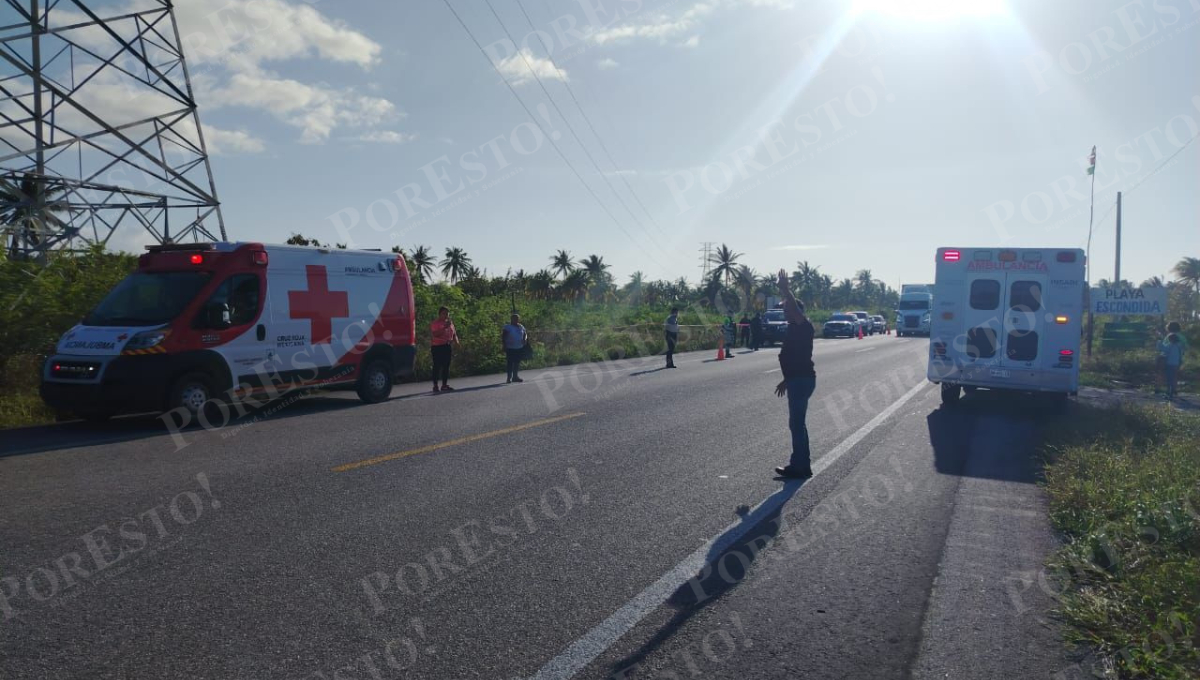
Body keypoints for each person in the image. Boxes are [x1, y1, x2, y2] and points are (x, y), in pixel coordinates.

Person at [772, 269, 816, 479]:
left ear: (796, 310)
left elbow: (797, 360)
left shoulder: (803, 326)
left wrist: (785, 289)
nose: (784, 311)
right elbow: (794, 358)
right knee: (797, 424)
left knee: (797, 424)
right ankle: (801, 464)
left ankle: (800, 466)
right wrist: (786, 380)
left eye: (787, 308)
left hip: (801, 381)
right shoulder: (793, 328)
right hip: (797, 380)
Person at [429, 306, 460, 392]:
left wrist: (457, 342)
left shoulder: (450, 323)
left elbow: (454, 334)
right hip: (437, 347)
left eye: (447, 313)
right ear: (439, 314)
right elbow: (435, 334)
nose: (446, 315)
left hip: (447, 346)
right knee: (437, 366)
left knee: (446, 366)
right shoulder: (435, 323)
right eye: (444, 313)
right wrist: (444, 327)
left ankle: (444, 385)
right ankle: (435, 385)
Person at [502, 313, 528, 383]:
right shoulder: (507, 327)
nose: (516, 320)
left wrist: (525, 339)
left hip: (519, 347)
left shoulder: (521, 326)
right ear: (511, 319)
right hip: (510, 347)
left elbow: (525, 334)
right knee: (510, 363)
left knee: (517, 362)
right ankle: (509, 378)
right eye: (514, 318)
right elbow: (503, 336)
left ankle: (515, 377)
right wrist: (504, 345)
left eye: (517, 319)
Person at [1160, 329, 1185, 401]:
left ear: (1171, 339)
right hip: (1176, 364)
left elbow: (1163, 350)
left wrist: (1159, 342)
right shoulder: (1179, 346)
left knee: (1169, 378)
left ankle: (1168, 392)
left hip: (1169, 364)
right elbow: (1181, 354)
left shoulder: (1170, 345)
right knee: (1174, 377)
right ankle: (1173, 390)